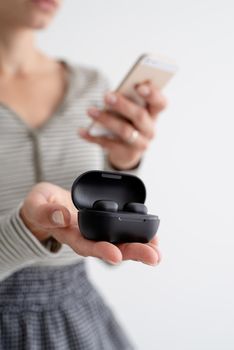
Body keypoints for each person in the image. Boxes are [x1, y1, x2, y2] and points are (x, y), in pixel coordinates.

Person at [0, 0, 167, 349]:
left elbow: (108, 253)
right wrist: (27, 231)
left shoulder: (91, 86)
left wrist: (123, 164)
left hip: (78, 318)